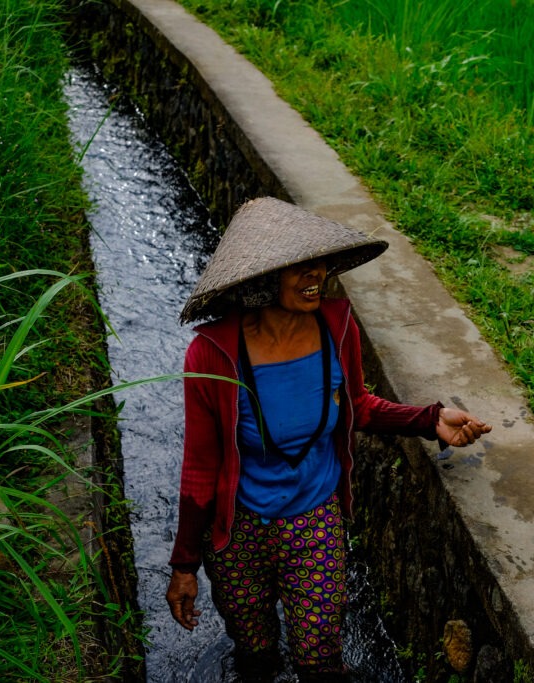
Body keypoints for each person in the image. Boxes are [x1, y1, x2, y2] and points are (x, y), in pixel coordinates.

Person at [165, 197, 491, 683]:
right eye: (298, 266)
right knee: (255, 654)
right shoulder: (211, 353)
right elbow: (199, 468)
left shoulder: (337, 328)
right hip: (239, 533)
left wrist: (429, 419)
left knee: (319, 660)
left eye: (318, 261)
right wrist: (184, 564)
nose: (315, 274)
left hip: (314, 520)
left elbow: (357, 406)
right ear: (259, 279)